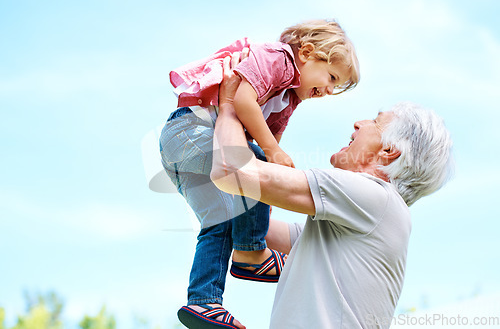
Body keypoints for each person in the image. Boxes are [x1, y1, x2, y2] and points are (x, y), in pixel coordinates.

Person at [210, 59, 454, 328]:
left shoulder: (374, 196)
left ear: (388, 151)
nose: (359, 123)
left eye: (375, 121)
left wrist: (230, 105)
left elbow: (230, 170)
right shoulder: (357, 221)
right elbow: (247, 226)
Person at [160, 19, 360, 328]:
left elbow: (265, 149)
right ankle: (250, 252)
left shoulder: (289, 100)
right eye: (331, 77)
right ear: (306, 53)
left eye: (336, 87)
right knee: (254, 163)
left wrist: (271, 155)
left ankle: (203, 302)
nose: (330, 89)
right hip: (190, 131)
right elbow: (242, 100)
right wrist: (272, 152)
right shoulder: (278, 58)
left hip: (192, 150)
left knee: (223, 217)